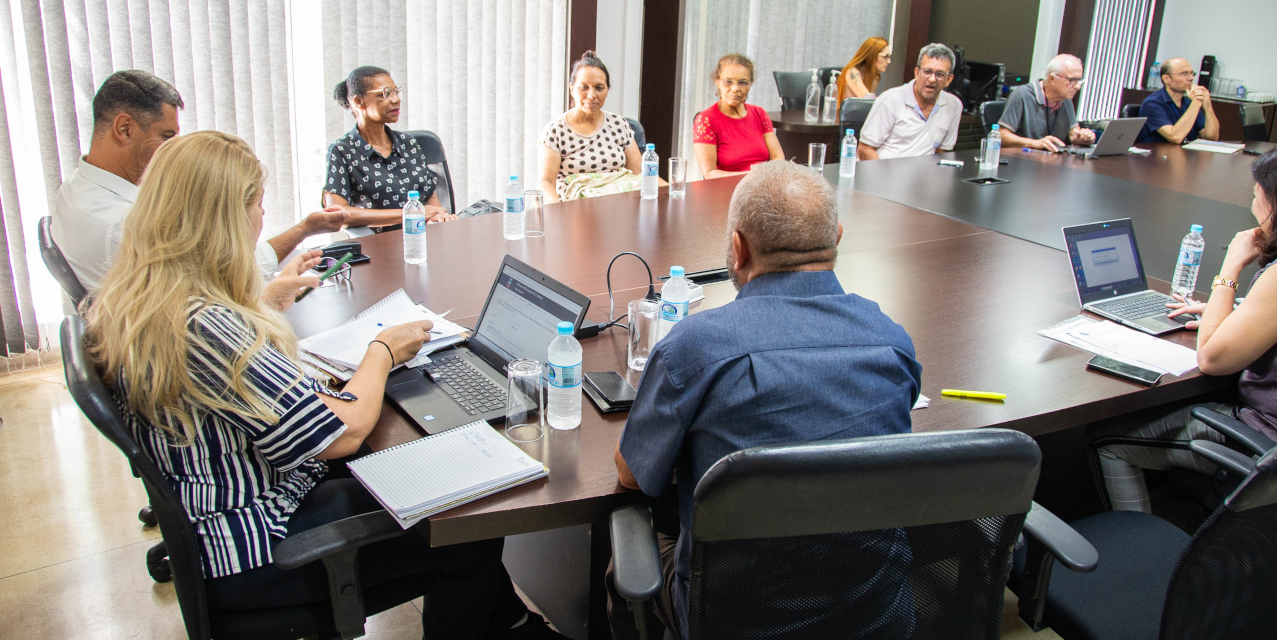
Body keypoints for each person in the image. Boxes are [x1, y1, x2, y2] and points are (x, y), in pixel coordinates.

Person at [85, 130, 564, 639]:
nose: (261, 220)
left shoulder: (145, 297)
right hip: (260, 548)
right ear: (223, 219)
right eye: (258, 206)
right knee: (468, 526)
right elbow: (347, 433)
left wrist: (262, 303)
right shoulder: (206, 326)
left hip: (228, 506)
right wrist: (381, 352)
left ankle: (512, 624)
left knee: (431, 474)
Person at [607, 160, 923, 639]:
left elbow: (633, 476)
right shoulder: (892, 341)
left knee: (625, 561)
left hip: (733, 619)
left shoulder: (695, 347)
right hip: (871, 613)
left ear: (737, 249)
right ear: (837, 237)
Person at [1088, 148, 1277, 512]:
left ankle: (1137, 556)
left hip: (1265, 439)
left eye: (1256, 195)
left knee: (1105, 438)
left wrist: (1231, 267)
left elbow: (1211, 358)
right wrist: (1240, 313)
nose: (1252, 202)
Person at [53, 70, 348, 293]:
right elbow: (222, 287)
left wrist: (305, 228)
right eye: (166, 137)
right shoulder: (128, 226)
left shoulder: (75, 190)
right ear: (125, 128)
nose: (174, 149)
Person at [324, 66, 456, 228]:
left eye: (396, 92)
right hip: (380, 243)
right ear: (359, 101)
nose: (396, 100)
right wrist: (410, 214)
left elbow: (430, 197)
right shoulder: (342, 151)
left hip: (423, 235)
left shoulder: (408, 143)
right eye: (386, 93)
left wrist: (439, 215)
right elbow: (338, 213)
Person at [537, 51, 643, 203]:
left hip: (621, 208)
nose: (591, 95)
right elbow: (545, 183)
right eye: (584, 87)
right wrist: (555, 214)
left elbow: (639, 173)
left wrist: (675, 193)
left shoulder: (620, 125)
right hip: (576, 214)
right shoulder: (555, 131)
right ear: (572, 89)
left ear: (607, 90)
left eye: (599, 88)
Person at [858, 43, 963, 160]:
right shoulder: (891, 99)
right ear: (917, 73)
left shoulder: (954, 105)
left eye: (940, 74)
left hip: (922, 176)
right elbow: (864, 150)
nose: (932, 79)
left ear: (949, 79)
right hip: (883, 173)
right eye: (927, 71)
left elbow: (942, 152)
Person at [692, 54, 785, 179]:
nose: (735, 88)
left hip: (763, 187)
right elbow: (709, 173)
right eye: (728, 82)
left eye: (742, 83)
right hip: (727, 191)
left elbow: (778, 158)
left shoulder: (760, 114)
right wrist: (753, 176)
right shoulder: (705, 120)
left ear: (750, 84)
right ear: (718, 82)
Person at [998, 54, 1096, 152]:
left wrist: (1084, 138)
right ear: (1052, 79)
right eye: (1072, 80)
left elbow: (1073, 134)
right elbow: (1001, 136)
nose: (1078, 86)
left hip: (1052, 161)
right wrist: (1034, 143)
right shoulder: (1022, 95)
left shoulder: (1066, 98)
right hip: (1023, 160)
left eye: (1080, 80)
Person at [1136, 57, 1219, 144]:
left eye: (1192, 73)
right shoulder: (1152, 103)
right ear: (1167, 79)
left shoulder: (1188, 102)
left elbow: (1211, 138)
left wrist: (1208, 107)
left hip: (1184, 154)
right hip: (1157, 155)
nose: (1191, 78)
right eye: (1184, 74)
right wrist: (1196, 102)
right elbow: (1175, 137)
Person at [838, 37, 893, 102]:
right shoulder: (852, 72)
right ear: (871, 55)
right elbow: (867, 97)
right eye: (885, 56)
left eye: (889, 56)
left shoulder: (875, 76)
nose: (889, 61)